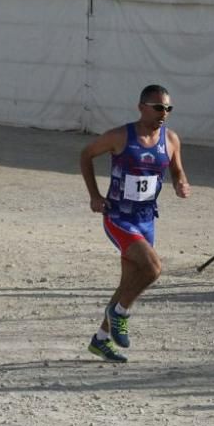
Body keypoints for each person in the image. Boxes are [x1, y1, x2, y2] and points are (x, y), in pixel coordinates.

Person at [79, 84, 191, 363]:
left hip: (146, 219)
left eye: (168, 108)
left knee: (128, 282)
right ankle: (120, 314)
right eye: (158, 108)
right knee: (153, 268)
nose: (163, 113)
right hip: (119, 218)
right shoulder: (121, 136)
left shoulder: (171, 139)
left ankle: (101, 340)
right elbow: (86, 155)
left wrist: (181, 184)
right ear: (141, 107)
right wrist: (94, 195)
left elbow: (177, 171)